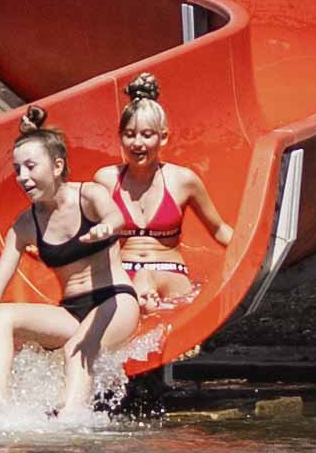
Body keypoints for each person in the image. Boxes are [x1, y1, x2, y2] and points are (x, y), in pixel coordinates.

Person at [0, 105, 139, 415]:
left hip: (115, 301)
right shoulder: (25, 225)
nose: (22, 177)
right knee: (0, 314)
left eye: (31, 167)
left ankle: (71, 422)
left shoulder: (89, 196)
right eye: (18, 169)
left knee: (76, 349)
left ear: (57, 166)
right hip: (72, 312)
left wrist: (106, 227)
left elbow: (117, 216)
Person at [91, 73, 234, 311]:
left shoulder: (183, 180)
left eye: (147, 135)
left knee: (177, 319)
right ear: (120, 137)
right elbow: (82, 225)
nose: (137, 143)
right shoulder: (106, 180)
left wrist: (252, 253)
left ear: (163, 137)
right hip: (125, 271)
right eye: (129, 135)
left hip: (169, 270)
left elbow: (219, 229)